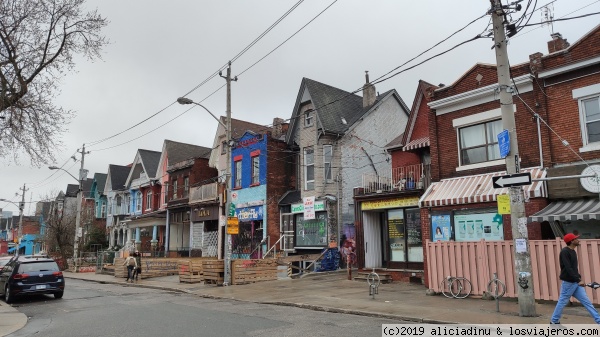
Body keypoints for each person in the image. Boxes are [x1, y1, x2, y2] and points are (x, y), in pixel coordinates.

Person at [551, 233, 600, 325]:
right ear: (571, 241)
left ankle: (599, 321)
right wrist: (578, 280)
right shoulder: (564, 252)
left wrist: (578, 277)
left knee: (587, 302)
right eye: (576, 239)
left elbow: (573, 268)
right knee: (562, 302)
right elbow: (568, 268)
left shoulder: (573, 251)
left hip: (575, 282)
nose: (578, 240)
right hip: (569, 282)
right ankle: (554, 321)